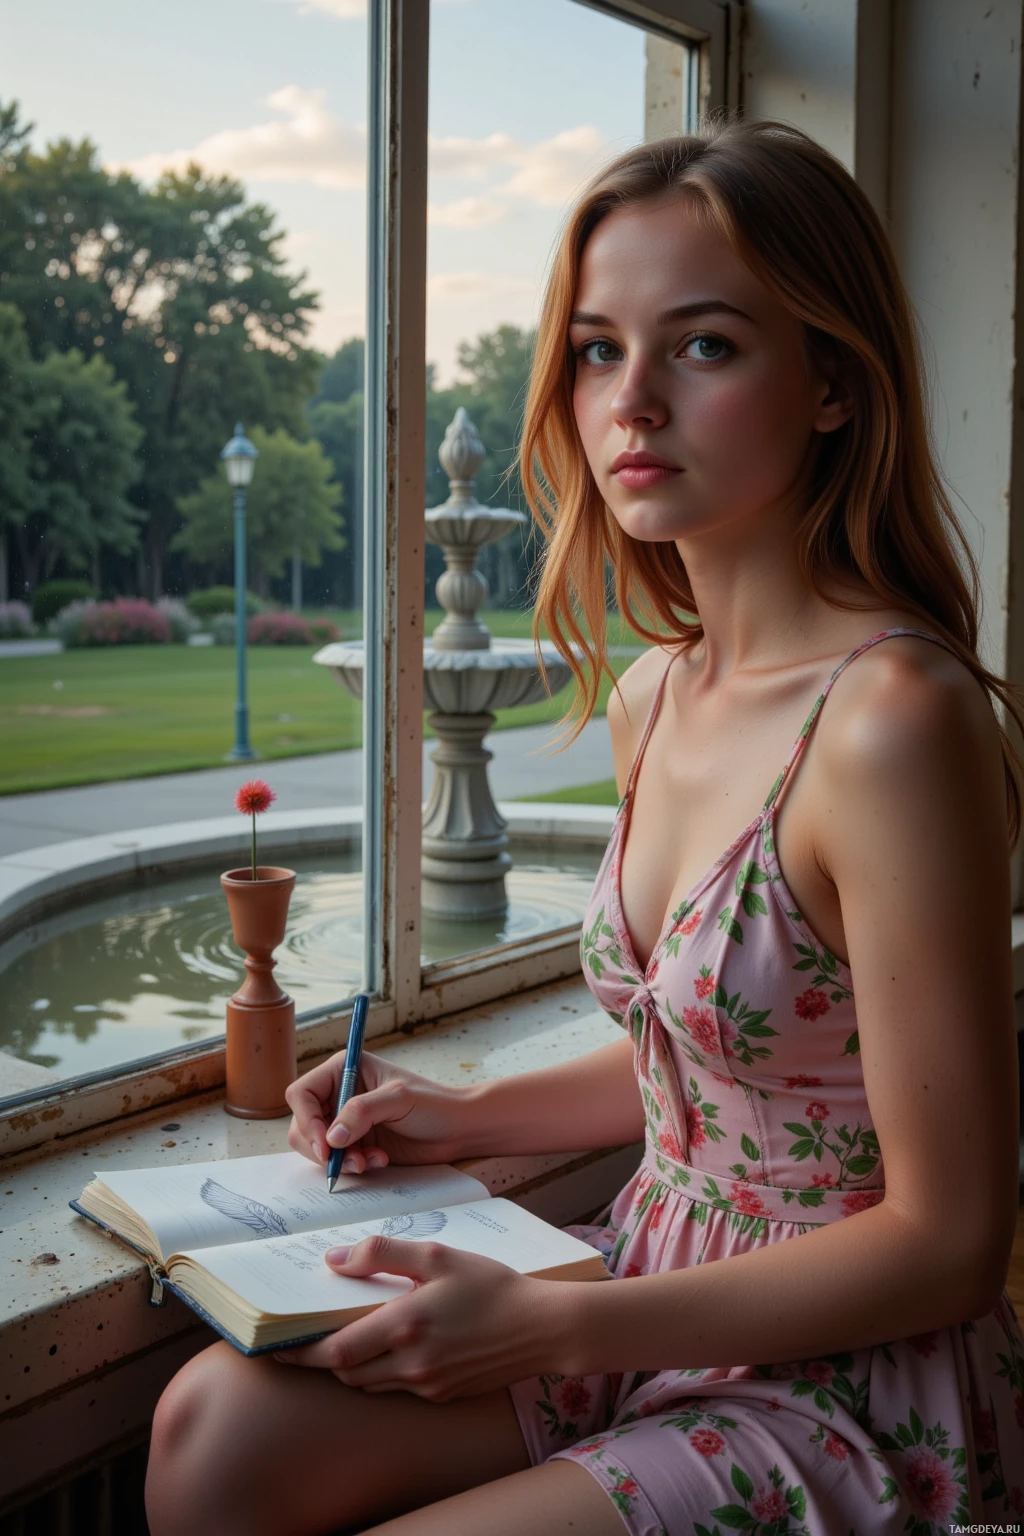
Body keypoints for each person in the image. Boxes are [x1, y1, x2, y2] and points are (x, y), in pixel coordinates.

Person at [145, 119, 1024, 1536]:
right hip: (643, 1280)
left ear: (833, 388)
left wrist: (551, 1332)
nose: (633, 404)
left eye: (707, 345)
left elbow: (952, 1243)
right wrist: (460, 1113)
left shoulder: (893, 723)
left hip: (845, 1377)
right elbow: (721, 1059)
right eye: (601, 349)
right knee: (211, 1437)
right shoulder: (652, 693)